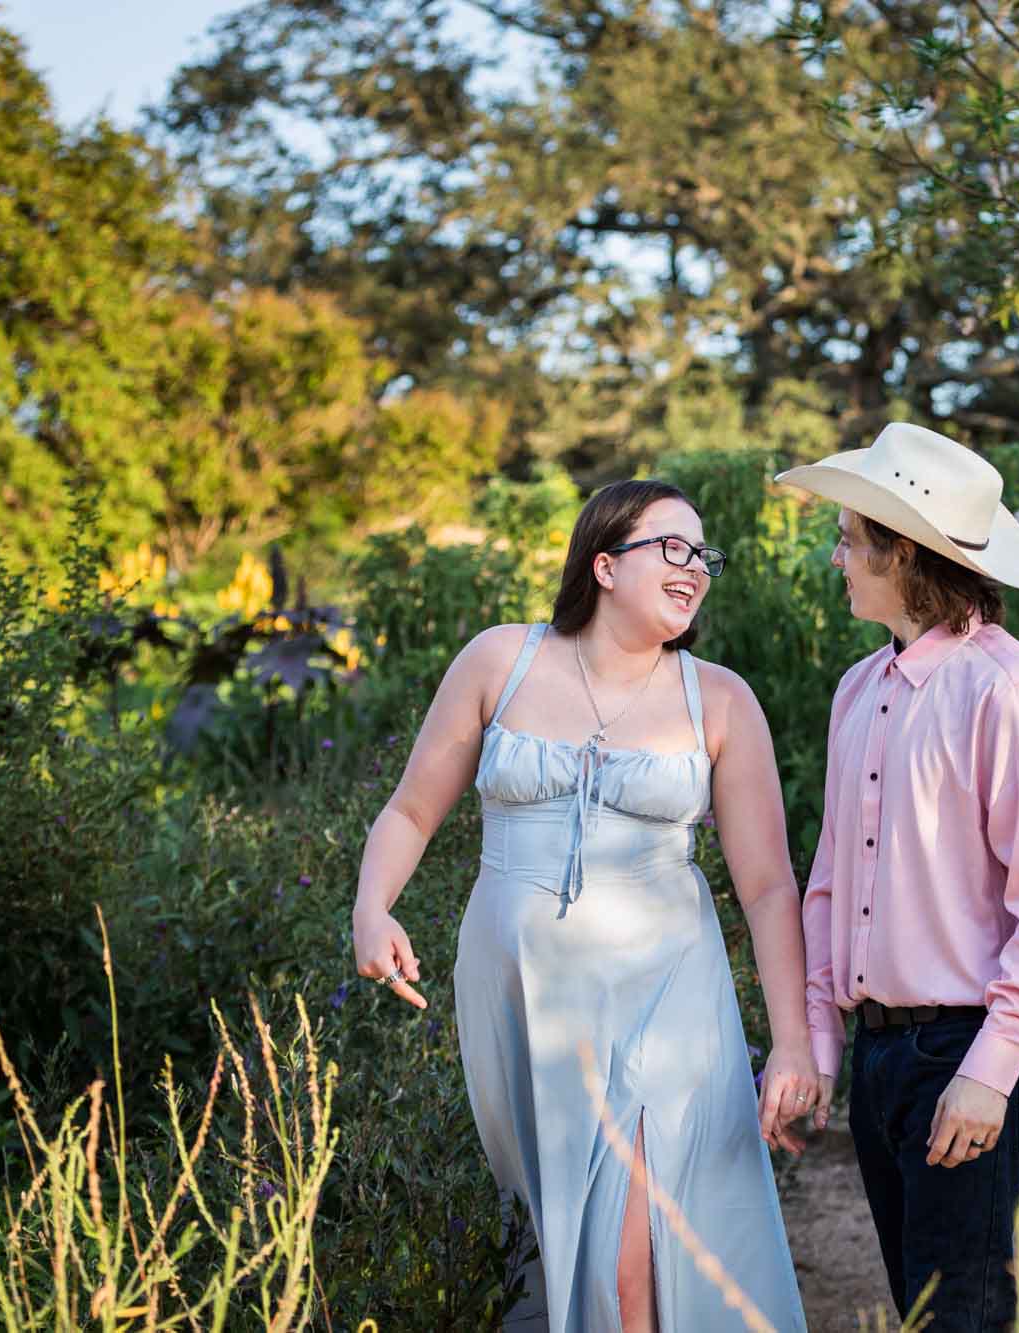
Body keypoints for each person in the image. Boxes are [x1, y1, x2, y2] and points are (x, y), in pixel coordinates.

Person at [351, 480, 815, 1333]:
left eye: (703, 554)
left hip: (667, 1002)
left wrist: (792, 1041)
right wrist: (371, 907)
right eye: (672, 546)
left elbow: (768, 884)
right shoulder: (501, 660)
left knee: (627, 1265)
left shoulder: (718, 699)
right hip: (524, 1003)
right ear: (604, 564)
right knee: (560, 1243)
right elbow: (411, 809)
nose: (696, 567)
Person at [777, 422, 1019, 1331]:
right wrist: (825, 1049)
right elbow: (830, 881)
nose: (837, 556)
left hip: (969, 1050)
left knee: (962, 1314)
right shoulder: (855, 689)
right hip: (879, 1057)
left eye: (848, 539)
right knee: (919, 1307)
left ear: (900, 551)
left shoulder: (1007, 690)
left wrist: (992, 1071)